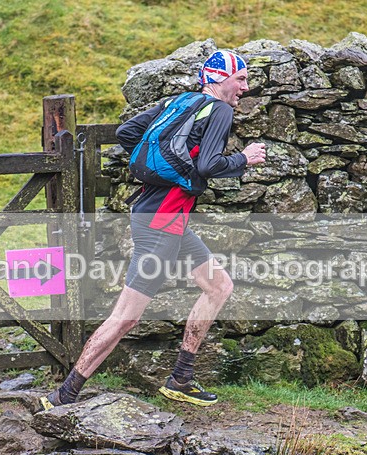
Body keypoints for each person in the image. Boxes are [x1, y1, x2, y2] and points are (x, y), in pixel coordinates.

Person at [42, 50, 267, 409]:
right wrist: (245, 158)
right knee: (126, 317)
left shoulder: (180, 102)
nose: (246, 87)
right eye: (240, 79)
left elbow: (127, 132)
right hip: (162, 224)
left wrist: (162, 172)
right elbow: (209, 165)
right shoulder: (220, 110)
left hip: (163, 217)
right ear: (216, 78)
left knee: (219, 285)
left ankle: (181, 377)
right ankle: (63, 394)